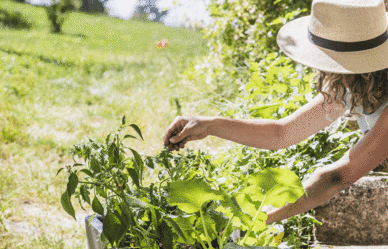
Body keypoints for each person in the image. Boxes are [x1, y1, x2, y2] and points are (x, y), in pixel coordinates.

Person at [163, 0, 388, 226]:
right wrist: (209, 125)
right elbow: (282, 133)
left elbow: (337, 177)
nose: (323, 67)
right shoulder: (353, 82)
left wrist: (262, 217)